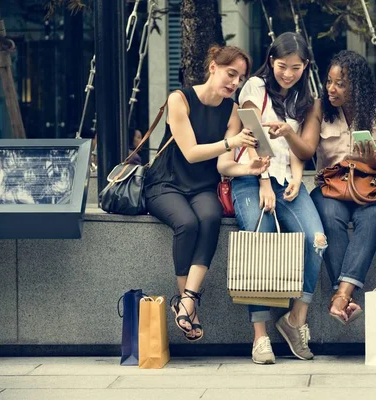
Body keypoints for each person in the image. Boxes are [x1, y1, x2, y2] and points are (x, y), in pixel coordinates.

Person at [143, 45, 268, 342]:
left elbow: (224, 163)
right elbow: (190, 152)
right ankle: (189, 304)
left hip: (202, 185)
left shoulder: (232, 110)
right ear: (213, 67)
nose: (234, 83)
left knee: (210, 217)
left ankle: (186, 301)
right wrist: (231, 142)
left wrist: (252, 168)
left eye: (240, 78)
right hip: (166, 182)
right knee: (187, 223)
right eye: (230, 73)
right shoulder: (179, 99)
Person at [218, 32, 327, 365]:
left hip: (286, 179)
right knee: (260, 243)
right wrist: (263, 180)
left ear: (305, 66)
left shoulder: (304, 98)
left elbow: (296, 150)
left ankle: (295, 321)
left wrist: (296, 178)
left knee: (317, 240)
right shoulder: (254, 87)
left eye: (295, 67)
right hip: (252, 177)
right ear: (271, 61)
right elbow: (252, 135)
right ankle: (260, 336)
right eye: (282, 66)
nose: (288, 73)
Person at [301, 50, 376, 326]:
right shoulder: (320, 109)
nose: (331, 88)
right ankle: (345, 296)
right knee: (329, 217)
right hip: (330, 185)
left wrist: (368, 157)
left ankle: (340, 296)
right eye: (329, 81)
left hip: (368, 185)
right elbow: (306, 149)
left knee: (375, 216)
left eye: (340, 83)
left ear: (358, 86)